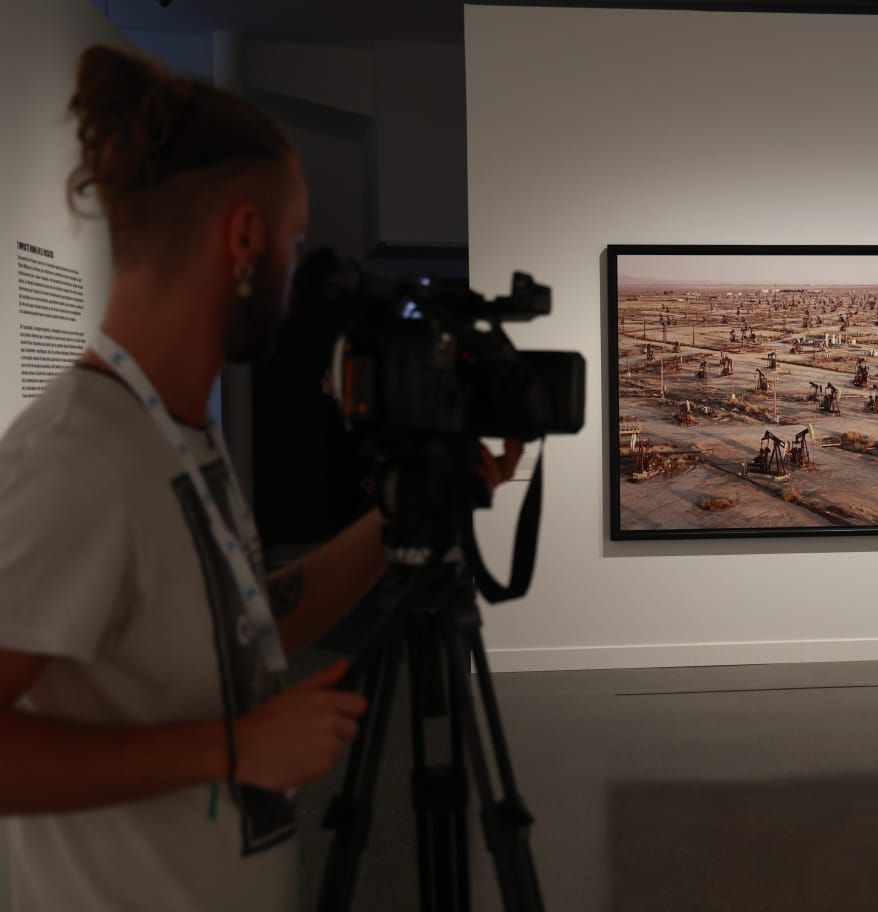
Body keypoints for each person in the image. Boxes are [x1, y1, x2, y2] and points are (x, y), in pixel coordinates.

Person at [0, 46, 517, 910]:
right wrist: (233, 750)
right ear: (243, 236)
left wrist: (409, 510)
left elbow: (249, 618)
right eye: (294, 239)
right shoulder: (75, 459)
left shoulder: (174, 437)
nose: (293, 267)